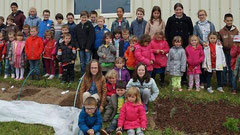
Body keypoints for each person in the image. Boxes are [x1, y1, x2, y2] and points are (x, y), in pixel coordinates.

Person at [165, 3, 193, 85]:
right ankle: (174, 78)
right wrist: (169, 42)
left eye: (180, 9)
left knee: (183, 61)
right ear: (174, 10)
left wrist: (189, 41)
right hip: (173, 44)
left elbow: (191, 31)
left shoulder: (187, 19)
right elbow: (167, 31)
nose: (178, 11)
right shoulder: (170, 19)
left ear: (182, 10)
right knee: (174, 61)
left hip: (184, 44)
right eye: (177, 10)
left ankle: (183, 78)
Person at [193, 9, 216, 89]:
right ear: (198, 16)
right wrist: (202, 43)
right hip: (201, 47)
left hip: (210, 47)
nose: (201, 16)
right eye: (200, 15)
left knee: (208, 63)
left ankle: (208, 81)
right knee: (201, 64)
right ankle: (202, 81)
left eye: (203, 14)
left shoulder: (211, 25)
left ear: (205, 15)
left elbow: (214, 35)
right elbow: (195, 36)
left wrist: (210, 43)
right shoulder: (196, 26)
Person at [219, 13, 239, 87]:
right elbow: (219, 41)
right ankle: (224, 82)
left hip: (232, 53)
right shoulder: (221, 31)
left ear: (232, 20)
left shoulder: (236, 31)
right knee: (224, 67)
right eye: (227, 20)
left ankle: (231, 82)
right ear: (224, 21)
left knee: (231, 67)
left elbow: (237, 42)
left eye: (231, 20)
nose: (229, 22)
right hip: (224, 52)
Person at [74, 11, 95, 77]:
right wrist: (77, 46)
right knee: (82, 62)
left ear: (88, 18)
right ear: (80, 18)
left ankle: (88, 75)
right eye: (83, 17)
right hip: (80, 48)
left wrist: (88, 47)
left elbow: (91, 37)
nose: (84, 19)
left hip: (87, 48)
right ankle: (83, 76)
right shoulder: (77, 27)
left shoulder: (90, 26)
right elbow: (75, 38)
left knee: (87, 62)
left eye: (85, 17)